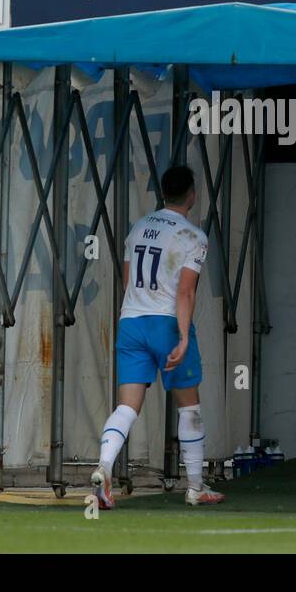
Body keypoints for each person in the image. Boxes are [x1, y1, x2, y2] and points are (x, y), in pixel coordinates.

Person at [91, 165, 224, 509]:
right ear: (192, 195)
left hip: (132, 322)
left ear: (162, 192)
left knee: (126, 407)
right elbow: (185, 293)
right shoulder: (193, 236)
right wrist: (182, 336)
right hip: (166, 324)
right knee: (189, 407)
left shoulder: (138, 228)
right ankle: (195, 487)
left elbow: (126, 281)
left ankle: (104, 466)